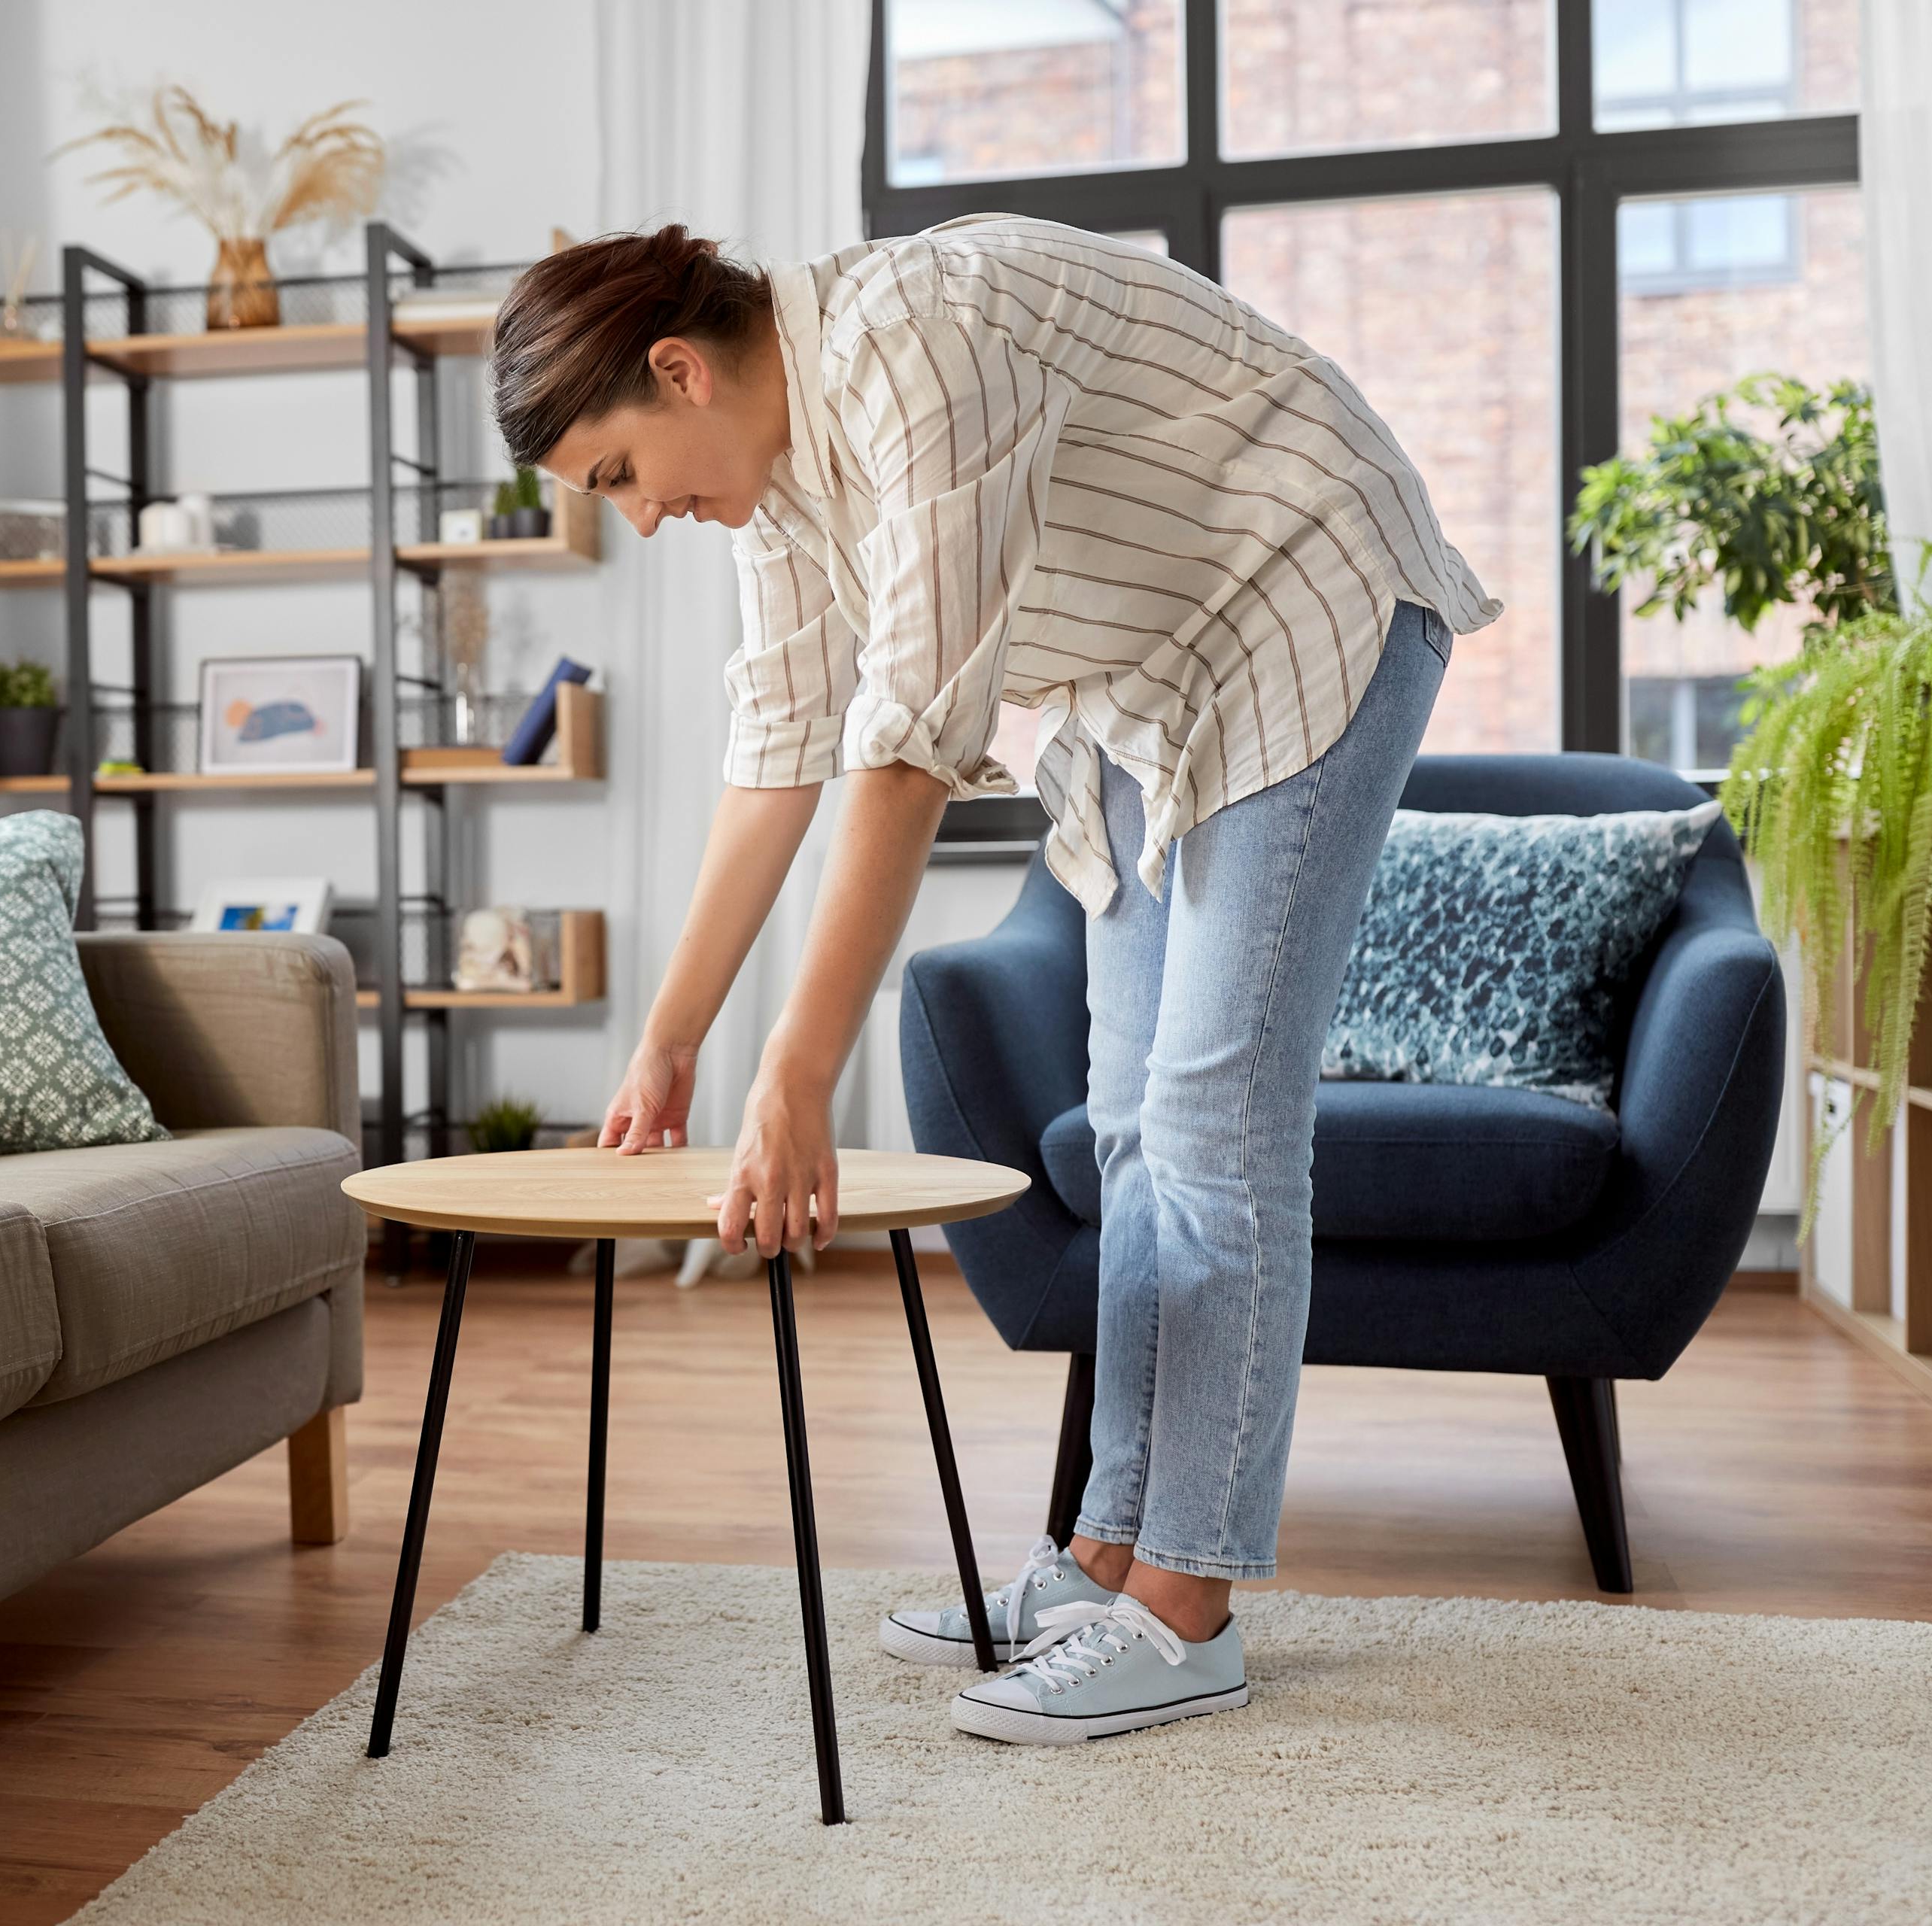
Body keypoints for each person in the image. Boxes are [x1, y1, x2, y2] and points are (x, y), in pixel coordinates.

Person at [487, 215, 1494, 1745]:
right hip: (1158, 676)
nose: (636, 518)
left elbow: (902, 761)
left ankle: (1183, 1607)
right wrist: (671, 1041)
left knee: (1214, 1116)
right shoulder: (781, 497)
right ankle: (1104, 1563)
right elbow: (775, 764)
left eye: (617, 472)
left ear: (677, 370)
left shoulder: (913, 347)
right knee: (1137, 1127)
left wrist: (798, 1074)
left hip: (1306, 591)